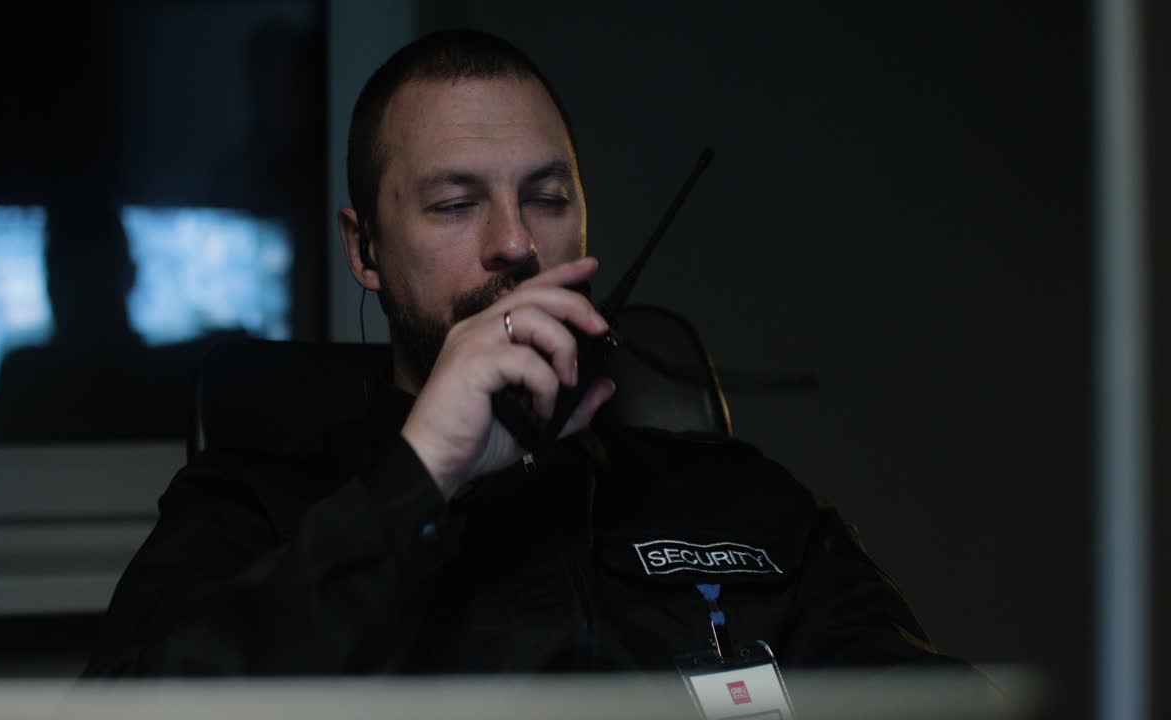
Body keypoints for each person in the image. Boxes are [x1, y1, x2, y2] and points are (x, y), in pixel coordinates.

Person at [83, 28, 960, 676]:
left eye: (545, 196)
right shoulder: (253, 506)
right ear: (365, 252)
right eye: (455, 203)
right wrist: (421, 476)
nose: (514, 243)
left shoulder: (742, 497)